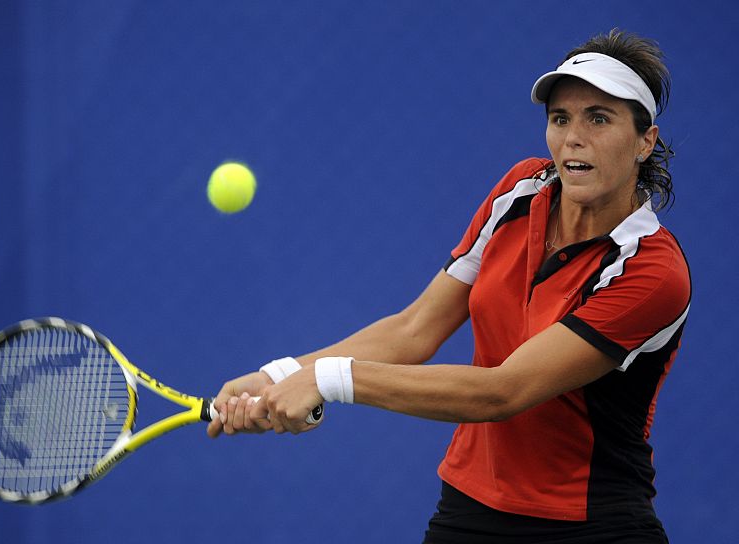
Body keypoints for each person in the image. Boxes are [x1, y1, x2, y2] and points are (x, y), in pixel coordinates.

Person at [206, 29, 690, 543]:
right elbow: (415, 329)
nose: (573, 137)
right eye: (560, 118)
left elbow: (504, 391)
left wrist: (326, 380)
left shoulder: (652, 271)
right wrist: (280, 375)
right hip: (470, 510)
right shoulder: (520, 191)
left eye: (599, 118)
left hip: (593, 525)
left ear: (645, 141)